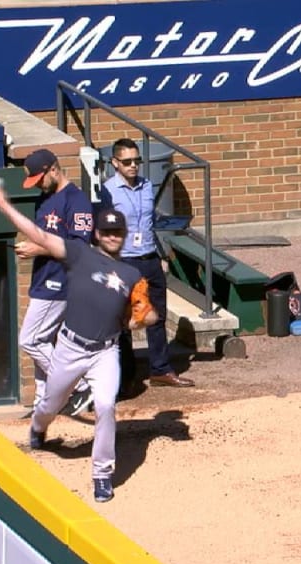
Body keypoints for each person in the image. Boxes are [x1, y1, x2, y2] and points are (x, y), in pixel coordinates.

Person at [0, 178, 158, 503]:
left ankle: (102, 475)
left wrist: (142, 318)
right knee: (50, 403)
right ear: (97, 234)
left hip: (105, 353)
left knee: (106, 406)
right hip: (69, 347)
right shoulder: (79, 254)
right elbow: (38, 235)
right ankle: (39, 427)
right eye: (106, 231)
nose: (111, 236)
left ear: (122, 236)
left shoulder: (132, 275)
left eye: (117, 232)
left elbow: (149, 316)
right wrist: (2, 203)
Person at [98, 139, 195, 389]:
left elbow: (150, 222)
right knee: (125, 320)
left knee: (157, 316)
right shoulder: (108, 191)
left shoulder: (146, 186)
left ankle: (160, 369)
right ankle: (125, 376)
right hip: (125, 260)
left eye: (136, 161)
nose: (133, 166)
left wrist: (160, 255)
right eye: (127, 162)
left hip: (149, 257)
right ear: (115, 163)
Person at [14, 149, 96, 416]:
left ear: (53, 169)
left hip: (62, 281)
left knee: (30, 340)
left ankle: (81, 385)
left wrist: (39, 250)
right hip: (43, 277)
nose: (37, 183)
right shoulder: (45, 199)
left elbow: (80, 247)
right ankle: (43, 403)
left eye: (39, 177)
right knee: (44, 342)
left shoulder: (76, 200)